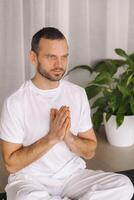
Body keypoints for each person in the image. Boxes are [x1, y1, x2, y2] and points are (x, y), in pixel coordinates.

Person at [0, 27, 133, 200]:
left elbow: (90, 150)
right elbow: (11, 164)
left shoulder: (77, 94)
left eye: (64, 57)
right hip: (30, 180)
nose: (59, 64)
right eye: (51, 57)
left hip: (72, 177)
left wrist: (67, 136)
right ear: (33, 57)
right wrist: (52, 138)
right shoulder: (15, 102)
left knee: (124, 185)